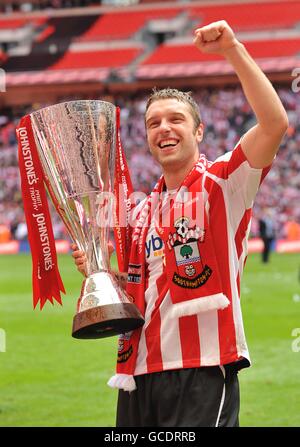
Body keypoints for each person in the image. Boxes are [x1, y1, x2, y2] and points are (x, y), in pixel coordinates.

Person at [72, 20, 288, 427]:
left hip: (202, 367)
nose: (163, 129)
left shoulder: (223, 183)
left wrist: (233, 49)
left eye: (175, 120)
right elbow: (149, 282)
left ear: (199, 131)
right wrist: (102, 277)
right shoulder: (140, 210)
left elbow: (275, 124)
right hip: (137, 373)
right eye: (154, 123)